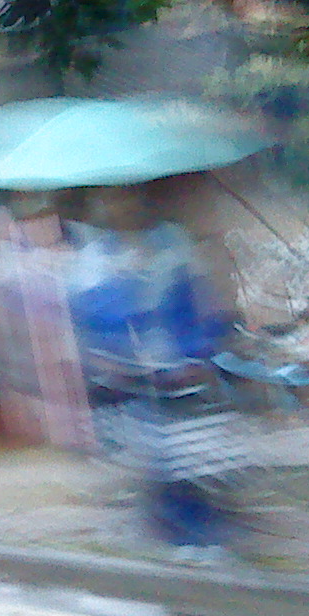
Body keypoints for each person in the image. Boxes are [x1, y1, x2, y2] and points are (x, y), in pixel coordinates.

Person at [65, 184, 243, 560]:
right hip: (132, 379)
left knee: (197, 455)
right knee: (161, 459)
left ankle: (199, 532)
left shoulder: (172, 243)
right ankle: (183, 536)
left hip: (183, 369)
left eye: (127, 196)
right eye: (111, 199)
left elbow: (199, 300)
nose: (121, 205)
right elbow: (92, 319)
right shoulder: (94, 260)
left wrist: (201, 350)